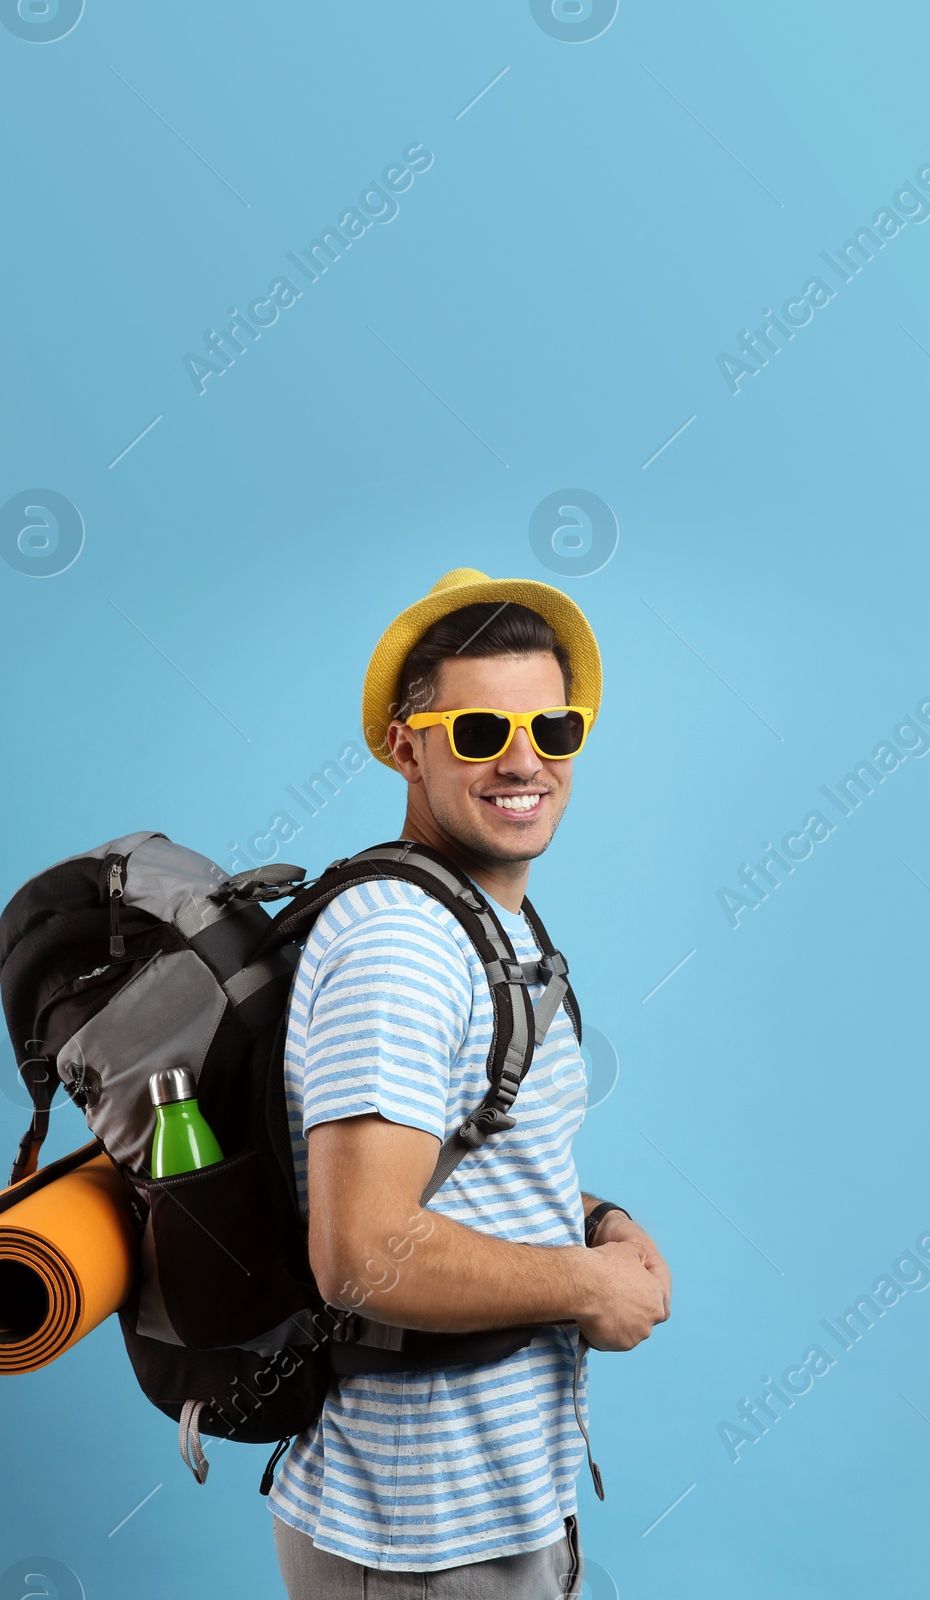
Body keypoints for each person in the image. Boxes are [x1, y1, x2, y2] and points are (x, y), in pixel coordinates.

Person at [268, 569, 672, 1599]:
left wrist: (599, 1220)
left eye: (554, 726)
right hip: (419, 1533)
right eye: (481, 731)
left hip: (494, 1506)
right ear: (407, 745)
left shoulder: (486, 925)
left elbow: (469, 1164)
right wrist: (587, 1287)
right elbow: (359, 1252)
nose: (525, 758)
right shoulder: (403, 941)